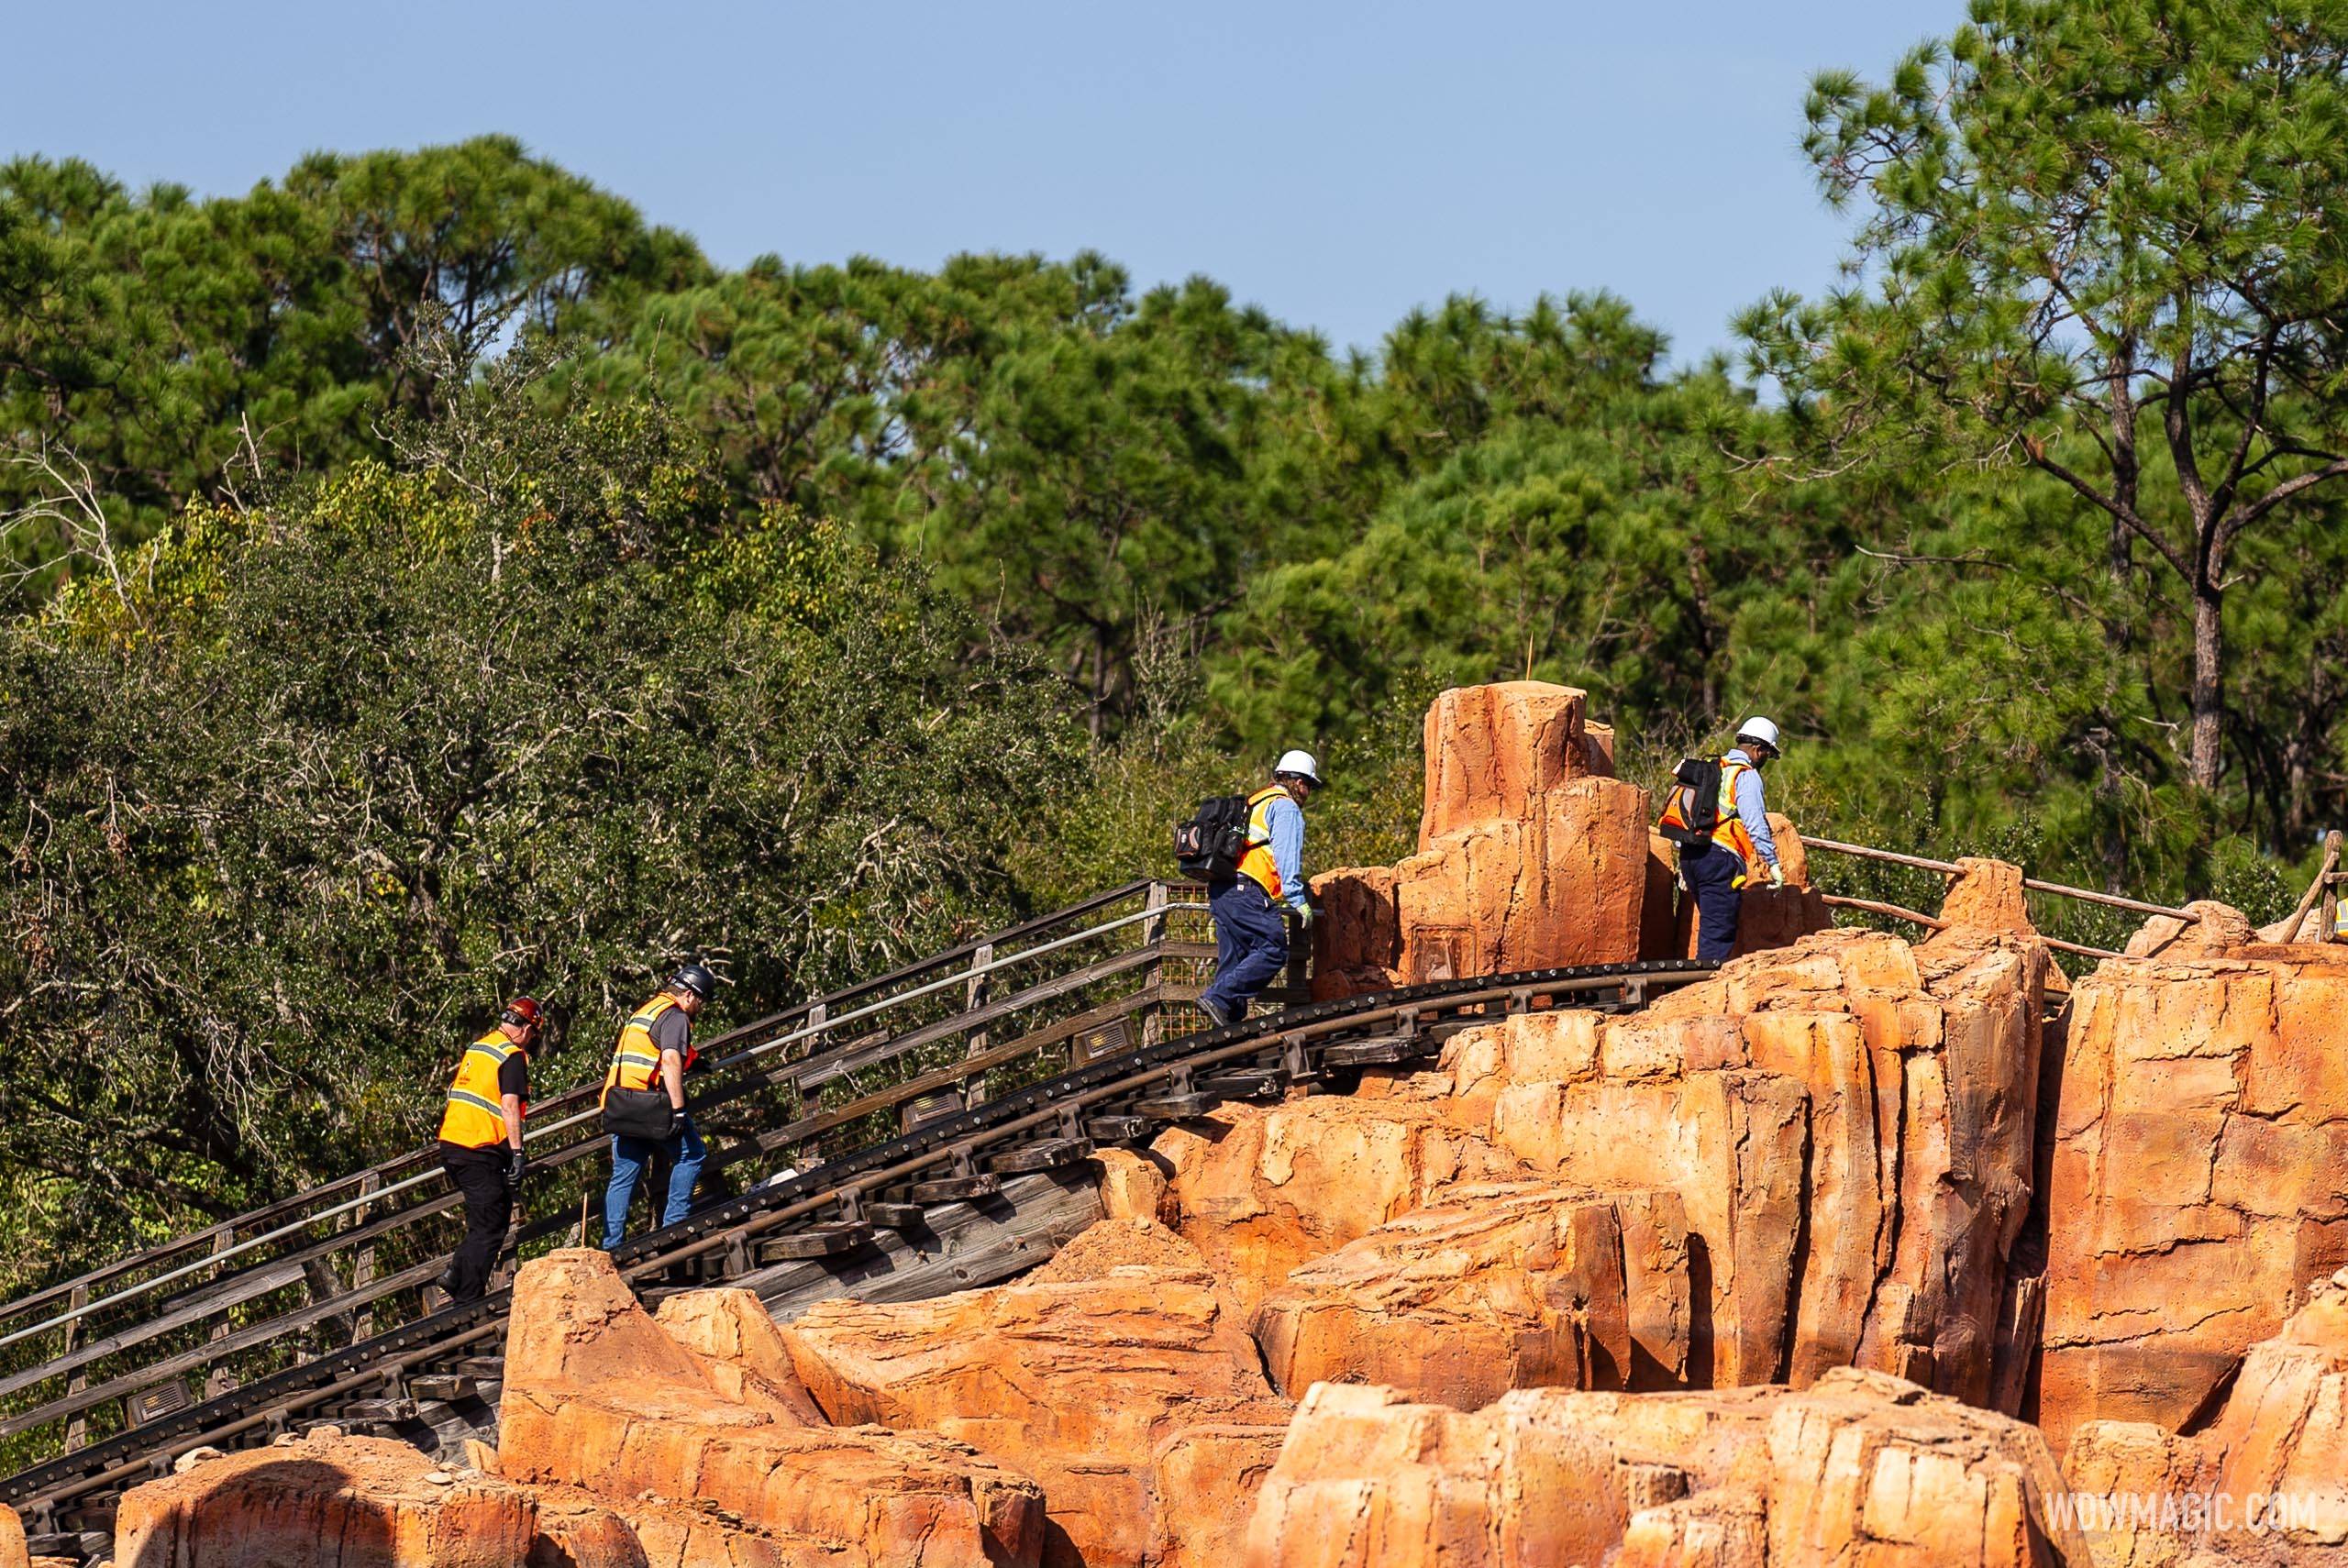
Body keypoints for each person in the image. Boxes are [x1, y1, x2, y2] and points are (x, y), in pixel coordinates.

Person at [1197, 750, 1320, 1027]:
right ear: (1299, 782)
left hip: (1222, 890)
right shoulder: (1285, 807)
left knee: (1234, 961)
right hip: (1248, 889)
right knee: (1273, 949)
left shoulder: (1254, 801)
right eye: (1309, 785)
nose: (1308, 792)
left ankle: (1228, 1038)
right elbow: (1287, 856)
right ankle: (1217, 999)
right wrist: (1297, 898)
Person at [434, 997, 543, 1303]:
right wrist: (518, 1154)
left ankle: (458, 1273)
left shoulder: (480, 1048)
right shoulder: (511, 1055)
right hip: (476, 1148)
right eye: (533, 1034)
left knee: (487, 1218)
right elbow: (509, 1106)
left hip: (453, 1143)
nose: (531, 1040)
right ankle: (466, 1298)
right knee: (492, 1224)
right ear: (524, 1029)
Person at [600, 963, 714, 1250]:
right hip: (653, 1107)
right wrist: (678, 1109)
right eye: (701, 1001)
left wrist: (693, 1059)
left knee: (624, 1177)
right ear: (689, 995)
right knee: (692, 1155)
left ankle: (612, 1246)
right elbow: (670, 1061)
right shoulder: (674, 1015)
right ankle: (672, 1229)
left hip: (623, 1106)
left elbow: (646, 1052)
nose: (700, 1007)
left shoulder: (646, 1010)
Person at [1663, 717, 1787, 963]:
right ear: (1758, 749)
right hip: (1719, 860)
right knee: (1717, 935)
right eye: (1767, 754)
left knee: (1711, 926)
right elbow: (1754, 823)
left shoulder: (1712, 767)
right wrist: (1772, 863)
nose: (1765, 760)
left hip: (1691, 856)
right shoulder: (1746, 775)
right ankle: (1702, 995)